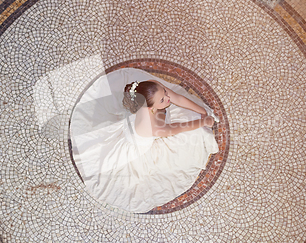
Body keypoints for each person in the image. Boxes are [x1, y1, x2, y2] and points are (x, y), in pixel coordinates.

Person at [70, 68, 219, 213]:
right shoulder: (152, 126)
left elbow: (177, 98)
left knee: (177, 105)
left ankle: (171, 111)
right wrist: (203, 122)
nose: (167, 98)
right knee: (188, 142)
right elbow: (178, 128)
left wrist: (202, 111)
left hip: (140, 126)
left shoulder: (153, 87)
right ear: (150, 108)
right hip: (138, 145)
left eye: (165, 93)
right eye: (162, 100)